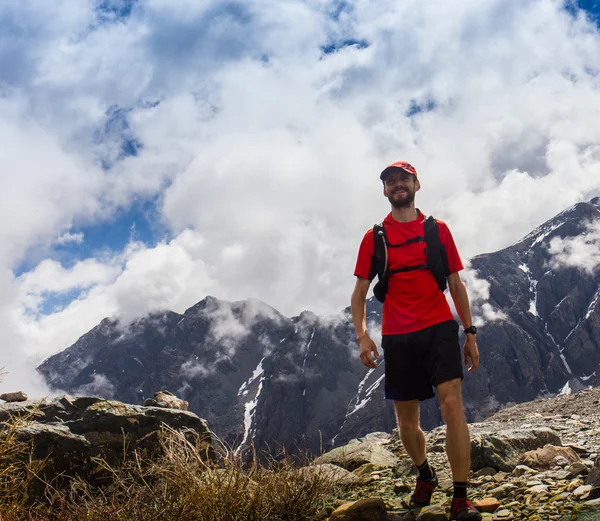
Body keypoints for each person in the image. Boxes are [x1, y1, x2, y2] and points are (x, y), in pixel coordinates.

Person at [350, 161, 482, 521]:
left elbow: (456, 284)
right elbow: (359, 294)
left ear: (416, 184)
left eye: (403, 179)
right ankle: (425, 473)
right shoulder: (374, 238)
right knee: (407, 422)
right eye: (390, 181)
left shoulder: (437, 230)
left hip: (439, 326)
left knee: (451, 404)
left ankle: (460, 496)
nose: (397, 185)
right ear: (384, 190)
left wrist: (469, 333)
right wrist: (363, 336)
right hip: (397, 334)